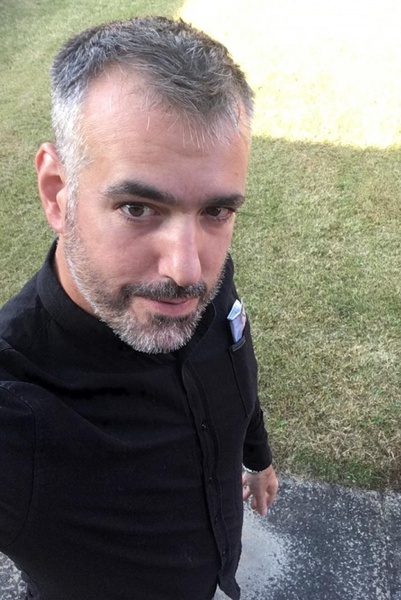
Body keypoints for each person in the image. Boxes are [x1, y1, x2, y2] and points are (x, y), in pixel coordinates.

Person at [0, 15, 278, 600]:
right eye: (137, 208)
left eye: (217, 212)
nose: (187, 270)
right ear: (57, 192)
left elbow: (236, 358)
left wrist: (257, 456)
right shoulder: (16, 406)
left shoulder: (205, 276)